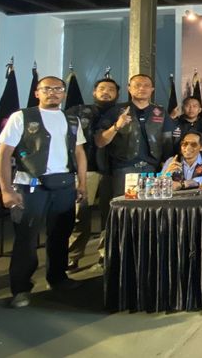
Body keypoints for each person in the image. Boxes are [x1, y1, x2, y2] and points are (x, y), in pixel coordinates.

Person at [0, 76, 87, 308]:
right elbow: (4, 154)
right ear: (37, 93)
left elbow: (79, 153)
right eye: (47, 89)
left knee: (60, 234)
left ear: (64, 93)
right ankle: (21, 289)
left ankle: (57, 278)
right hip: (30, 186)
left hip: (64, 186)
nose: (53, 92)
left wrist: (82, 184)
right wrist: (6, 190)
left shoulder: (72, 119)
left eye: (58, 89)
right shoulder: (21, 117)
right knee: (26, 239)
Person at [95, 74, 174, 266]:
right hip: (123, 169)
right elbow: (100, 141)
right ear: (129, 88)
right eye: (137, 85)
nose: (142, 88)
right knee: (117, 213)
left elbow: (168, 142)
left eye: (147, 85)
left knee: (148, 213)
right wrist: (117, 126)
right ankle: (109, 253)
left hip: (152, 170)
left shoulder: (160, 112)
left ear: (152, 90)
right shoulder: (116, 111)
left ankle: (142, 252)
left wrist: (166, 169)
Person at [65, 77, 119, 271]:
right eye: (102, 88)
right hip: (85, 169)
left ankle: (105, 253)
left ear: (117, 94)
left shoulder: (122, 113)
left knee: (109, 215)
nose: (106, 92)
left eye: (111, 89)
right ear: (94, 92)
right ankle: (73, 255)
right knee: (80, 215)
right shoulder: (77, 111)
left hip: (112, 169)